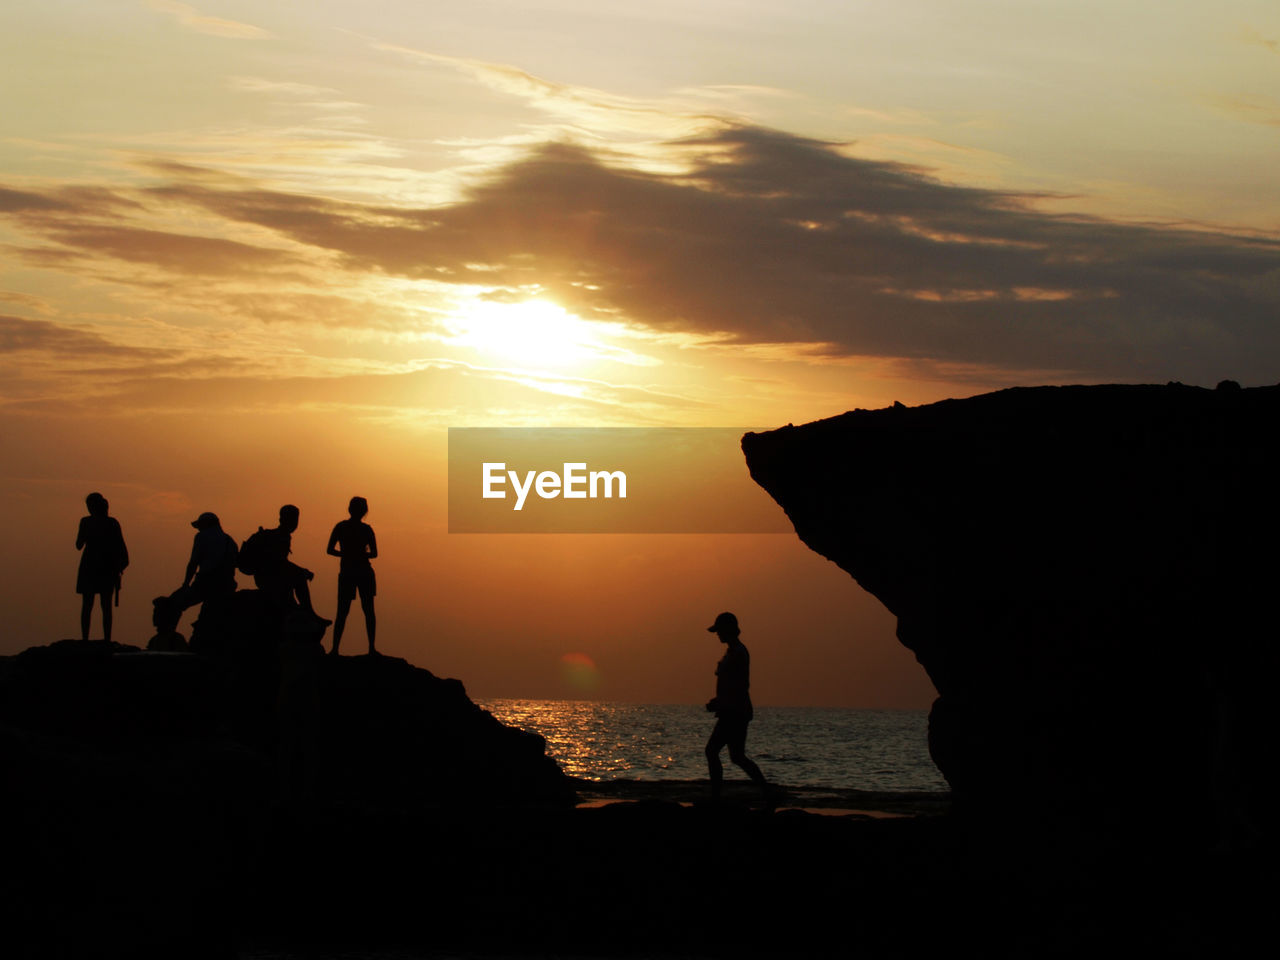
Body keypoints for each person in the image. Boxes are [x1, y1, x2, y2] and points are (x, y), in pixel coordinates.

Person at [704, 611, 769, 802]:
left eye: (719, 630)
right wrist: (719, 702)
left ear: (728, 630)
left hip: (734, 712)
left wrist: (721, 702)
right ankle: (767, 792)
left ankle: (716, 796)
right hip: (733, 710)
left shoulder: (739, 652)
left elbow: (739, 685)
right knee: (737, 756)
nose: (717, 634)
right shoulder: (733, 651)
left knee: (713, 751)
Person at [252, 504, 325, 622]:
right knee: (300, 577)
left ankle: (305, 611)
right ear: (283, 519)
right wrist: (302, 571)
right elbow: (279, 563)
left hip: (267, 577)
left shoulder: (280, 536)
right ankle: (309, 611)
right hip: (268, 578)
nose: (295, 523)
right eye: (293, 519)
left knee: (297, 577)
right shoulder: (281, 537)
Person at [326, 496, 378, 656]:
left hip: (353, 571)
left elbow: (330, 550)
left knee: (348, 610)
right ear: (364, 511)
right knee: (362, 610)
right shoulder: (364, 529)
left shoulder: (343, 527)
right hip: (357, 570)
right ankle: (367, 649)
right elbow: (374, 554)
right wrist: (355, 554)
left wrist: (346, 553)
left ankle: (338, 649)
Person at [75, 492, 128, 643]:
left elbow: (78, 545)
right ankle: (107, 639)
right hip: (106, 567)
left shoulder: (86, 522)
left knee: (88, 604)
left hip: (91, 566)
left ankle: (86, 638)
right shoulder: (112, 523)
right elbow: (122, 548)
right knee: (105, 606)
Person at [176, 512, 238, 610]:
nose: (199, 529)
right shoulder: (230, 540)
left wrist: (186, 584)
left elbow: (193, 562)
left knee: (176, 604)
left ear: (206, 524)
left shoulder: (201, 536)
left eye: (200, 526)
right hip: (226, 584)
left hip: (206, 583)